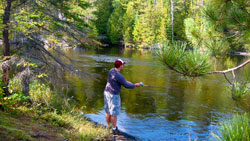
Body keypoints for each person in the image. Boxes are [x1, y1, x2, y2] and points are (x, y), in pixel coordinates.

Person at [104, 59, 141, 135]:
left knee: (108, 111)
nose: (123, 65)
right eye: (123, 64)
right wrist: (135, 85)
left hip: (106, 92)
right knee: (114, 113)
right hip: (114, 95)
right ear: (120, 66)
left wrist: (127, 82)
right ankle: (114, 130)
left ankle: (108, 126)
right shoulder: (119, 75)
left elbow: (122, 82)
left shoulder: (111, 71)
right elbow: (126, 85)